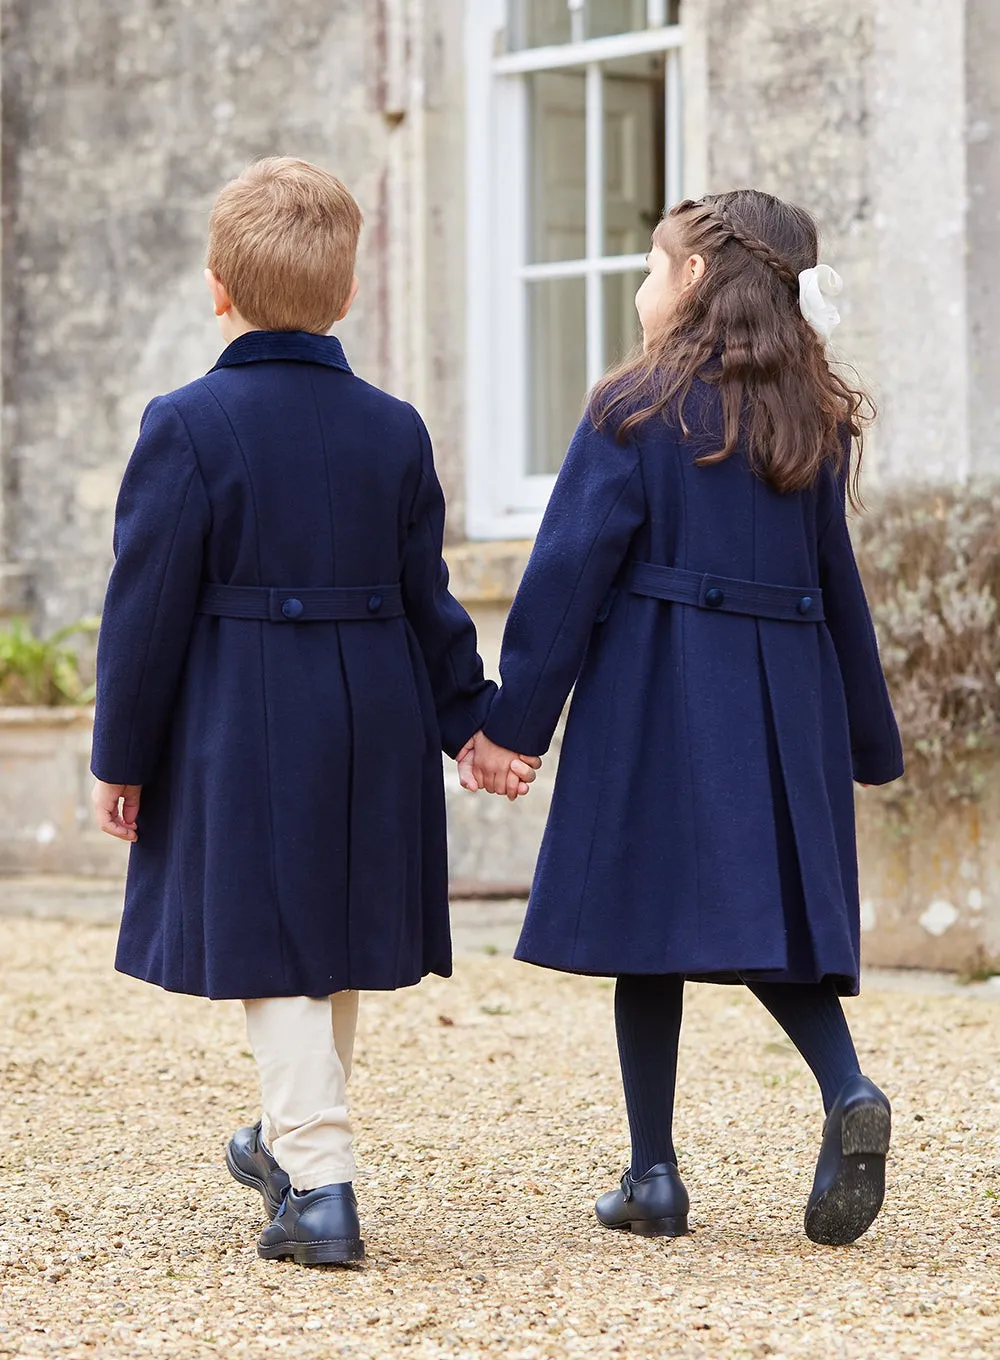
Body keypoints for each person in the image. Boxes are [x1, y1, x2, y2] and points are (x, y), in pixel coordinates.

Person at [90, 156, 539, 1267]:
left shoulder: (184, 422)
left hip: (248, 706)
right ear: (347, 296)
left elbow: (145, 608)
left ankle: (324, 1181)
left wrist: (123, 756)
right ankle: (291, 1148)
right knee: (320, 929)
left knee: (274, 940)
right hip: (375, 705)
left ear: (217, 287)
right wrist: (468, 720)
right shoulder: (393, 428)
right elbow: (429, 601)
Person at [460, 190, 903, 1247]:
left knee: (642, 924)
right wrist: (865, 733)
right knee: (770, 923)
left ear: (695, 281)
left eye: (653, 266)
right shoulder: (813, 415)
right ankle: (844, 1086)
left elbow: (567, 575)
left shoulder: (635, 405)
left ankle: (652, 1174)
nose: (640, 286)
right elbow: (835, 581)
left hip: (660, 685)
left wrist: (514, 724)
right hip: (782, 695)